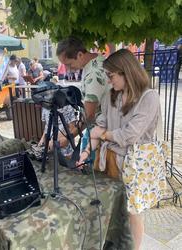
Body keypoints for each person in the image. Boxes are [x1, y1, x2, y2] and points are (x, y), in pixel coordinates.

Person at [76, 49, 162, 250]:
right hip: (111, 162)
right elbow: (99, 128)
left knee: (133, 212)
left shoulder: (149, 98)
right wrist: (86, 153)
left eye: (111, 76)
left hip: (136, 165)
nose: (108, 81)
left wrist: (103, 135)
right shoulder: (110, 97)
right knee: (111, 208)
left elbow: (127, 135)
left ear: (125, 72)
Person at [57, 37, 109, 123]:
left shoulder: (93, 74)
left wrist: (68, 134)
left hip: (103, 130)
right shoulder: (95, 61)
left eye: (69, 64)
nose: (67, 69)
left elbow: (88, 115)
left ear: (80, 55)